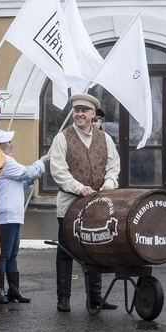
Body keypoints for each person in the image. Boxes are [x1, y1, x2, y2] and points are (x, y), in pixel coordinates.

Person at [49, 93, 120, 313]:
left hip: (96, 203)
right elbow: (58, 171)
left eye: (84, 111)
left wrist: (109, 182)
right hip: (70, 203)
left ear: (93, 114)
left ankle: (95, 298)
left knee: (95, 248)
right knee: (66, 251)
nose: (79, 114)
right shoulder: (63, 138)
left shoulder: (105, 139)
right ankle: (64, 298)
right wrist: (79, 187)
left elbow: (113, 166)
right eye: (76, 110)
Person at [0, 128, 48, 304]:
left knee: (12, 252)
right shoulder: (4, 160)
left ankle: (13, 289)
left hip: (12, 213)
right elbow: (26, 173)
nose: (11, 144)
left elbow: (18, 182)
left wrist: (30, 178)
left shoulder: (4, 160)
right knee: (4, 253)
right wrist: (41, 162)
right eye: (7, 142)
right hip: (6, 213)